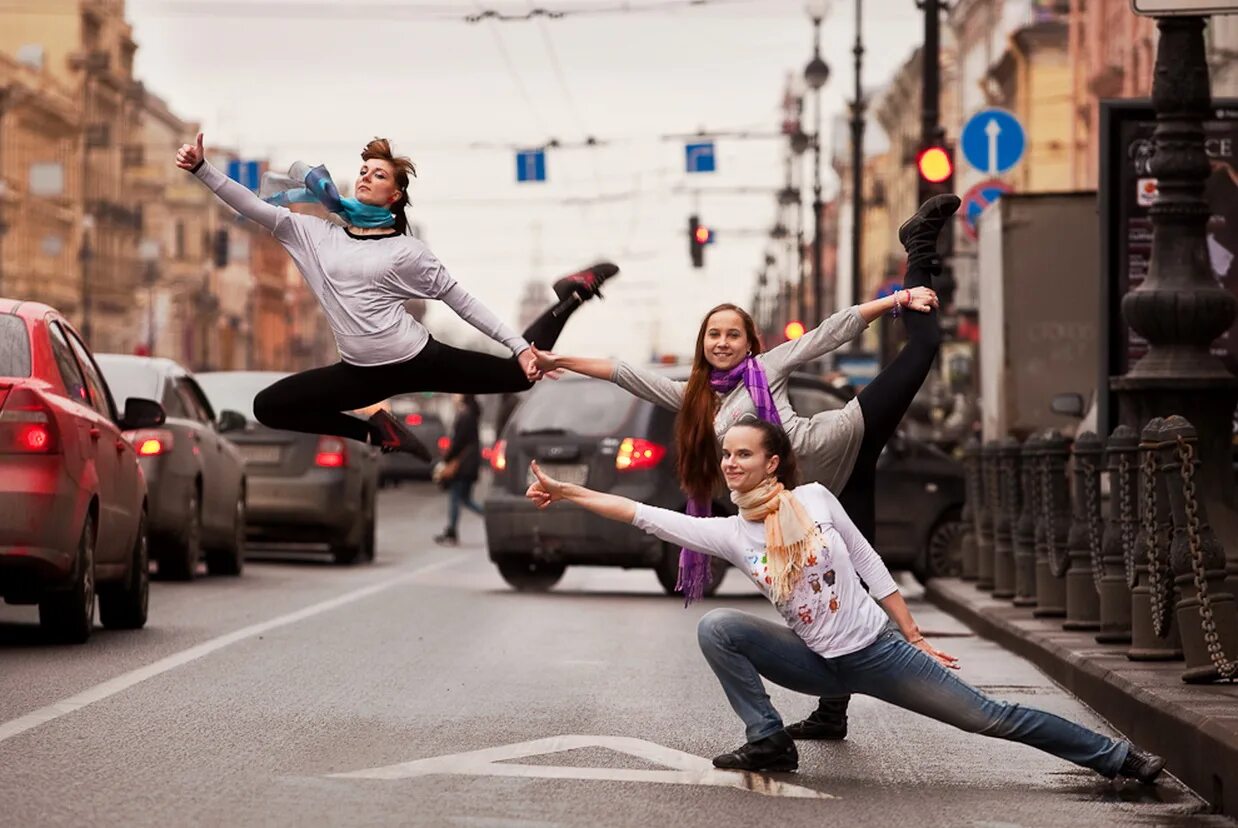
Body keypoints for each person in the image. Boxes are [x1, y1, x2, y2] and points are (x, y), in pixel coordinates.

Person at [524, 416, 1166, 783]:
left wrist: (912, 635)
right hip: (816, 662)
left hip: (881, 654)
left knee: (990, 717)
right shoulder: (729, 531)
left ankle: (1120, 759)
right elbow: (642, 514)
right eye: (727, 455)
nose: (731, 464)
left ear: (773, 462)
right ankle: (769, 740)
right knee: (719, 626)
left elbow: (868, 562)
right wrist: (567, 491)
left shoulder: (818, 503)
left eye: (744, 454)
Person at [531, 194, 958, 739]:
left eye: (733, 334)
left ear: (748, 342)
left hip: (846, 434)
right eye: (715, 334)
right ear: (703, 344)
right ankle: (832, 713)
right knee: (827, 593)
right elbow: (621, 372)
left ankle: (918, 249)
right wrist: (558, 360)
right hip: (819, 494)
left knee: (922, 348)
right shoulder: (695, 399)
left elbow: (832, 330)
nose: (724, 342)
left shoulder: (769, 365)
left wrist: (896, 299)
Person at [175, 132, 617, 459]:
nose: (366, 177)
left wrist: (519, 347)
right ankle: (377, 432)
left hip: (419, 359)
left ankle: (571, 295)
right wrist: (202, 168)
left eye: (378, 174)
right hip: (359, 373)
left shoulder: (407, 252)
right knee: (269, 406)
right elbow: (250, 205)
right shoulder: (311, 233)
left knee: (520, 376)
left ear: (395, 194)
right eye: (364, 172)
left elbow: (461, 302)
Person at [435, 394, 484, 546]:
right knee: (465, 499)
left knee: (456, 498)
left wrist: (445, 460)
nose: (453, 397)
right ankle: (452, 530)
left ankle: (452, 531)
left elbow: (458, 443)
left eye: (456, 393)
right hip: (468, 464)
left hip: (463, 465)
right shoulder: (470, 414)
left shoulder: (465, 415)